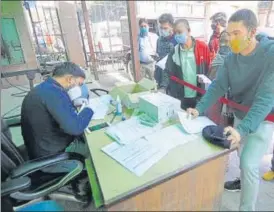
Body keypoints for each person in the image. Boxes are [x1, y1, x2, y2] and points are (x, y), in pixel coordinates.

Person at [186, 9, 274, 211]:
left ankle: (247, 208)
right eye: (229, 33)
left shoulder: (270, 54)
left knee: (249, 164)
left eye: (237, 33)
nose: (231, 38)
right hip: (240, 114)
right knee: (242, 158)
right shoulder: (231, 58)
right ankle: (242, 184)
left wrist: (241, 130)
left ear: (252, 32)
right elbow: (218, 86)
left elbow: (266, 99)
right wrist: (199, 109)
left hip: (264, 117)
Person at [21, 62, 94, 160]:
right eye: (79, 84)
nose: (79, 87)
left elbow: (53, 110)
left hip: (40, 145)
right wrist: (89, 109)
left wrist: (73, 103)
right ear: (69, 79)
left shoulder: (46, 87)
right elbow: (75, 128)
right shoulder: (54, 93)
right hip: (50, 155)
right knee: (92, 150)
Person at [162, 18, 211, 109]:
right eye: (175, 33)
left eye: (180, 32)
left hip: (199, 96)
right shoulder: (174, 51)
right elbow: (167, 72)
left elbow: (209, 70)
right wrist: (163, 87)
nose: (177, 35)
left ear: (189, 31)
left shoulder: (202, 47)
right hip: (182, 97)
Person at [154, 13, 177, 90]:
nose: (163, 30)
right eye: (161, 28)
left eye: (165, 28)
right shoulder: (159, 40)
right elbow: (159, 56)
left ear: (172, 27)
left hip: (173, 82)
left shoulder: (177, 40)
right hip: (161, 80)